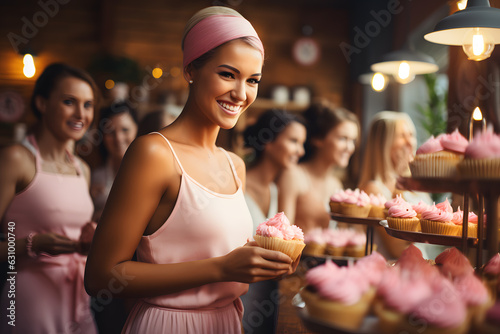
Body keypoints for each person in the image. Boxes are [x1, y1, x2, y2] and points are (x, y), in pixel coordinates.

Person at [84, 6, 298, 334]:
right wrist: (221, 268)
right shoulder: (154, 153)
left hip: (227, 322)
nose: (241, 94)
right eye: (227, 74)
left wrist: (266, 261)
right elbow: (101, 277)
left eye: (252, 80)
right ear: (191, 69)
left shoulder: (234, 164)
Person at [0, 63, 99, 333]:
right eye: (70, 102)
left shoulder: (83, 169)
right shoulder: (16, 160)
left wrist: (89, 241)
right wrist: (32, 244)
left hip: (77, 296)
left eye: (88, 105)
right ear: (42, 103)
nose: (81, 114)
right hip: (31, 296)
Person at [241, 109, 306, 334]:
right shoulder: (237, 185)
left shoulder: (277, 190)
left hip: (268, 288)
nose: (301, 150)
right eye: (294, 141)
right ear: (267, 141)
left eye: (302, 143)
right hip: (235, 288)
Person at [357, 111, 442, 259]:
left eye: (411, 135)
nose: (410, 142)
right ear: (383, 144)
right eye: (402, 136)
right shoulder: (373, 189)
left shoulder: (414, 185)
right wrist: (401, 186)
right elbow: (397, 249)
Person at [277, 101, 360, 233]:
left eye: (353, 141)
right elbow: (282, 234)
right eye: (343, 139)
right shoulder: (293, 175)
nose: (350, 148)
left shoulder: (336, 185)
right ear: (318, 139)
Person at [91, 102, 139, 221]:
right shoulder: (93, 176)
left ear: (136, 129)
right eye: (110, 132)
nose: (118, 138)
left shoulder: (150, 172)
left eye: (125, 129)